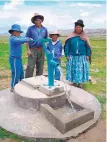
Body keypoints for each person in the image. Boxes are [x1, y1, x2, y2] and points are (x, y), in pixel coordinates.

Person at [64, 19, 92, 88]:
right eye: (77, 27)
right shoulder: (71, 36)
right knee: (73, 69)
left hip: (82, 56)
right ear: (75, 27)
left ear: (82, 28)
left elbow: (88, 46)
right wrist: (67, 54)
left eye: (80, 27)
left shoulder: (84, 36)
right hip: (72, 56)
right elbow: (67, 46)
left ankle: (79, 83)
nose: (78, 28)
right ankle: (74, 82)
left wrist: (88, 55)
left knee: (80, 70)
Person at [8, 24, 33, 92]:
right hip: (14, 59)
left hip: (18, 58)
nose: (19, 33)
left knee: (21, 73)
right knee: (16, 73)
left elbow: (22, 39)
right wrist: (29, 39)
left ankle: (20, 86)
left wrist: (27, 39)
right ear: (13, 32)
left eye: (19, 32)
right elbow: (21, 40)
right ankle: (13, 87)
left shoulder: (18, 37)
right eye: (17, 31)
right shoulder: (13, 38)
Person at [25, 13, 48, 78]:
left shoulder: (44, 29)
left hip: (41, 49)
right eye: (36, 20)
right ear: (34, 21)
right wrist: (28, 50)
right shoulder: (30, 28)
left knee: (40, 66)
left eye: (38, 19)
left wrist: (44, 42)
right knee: (30, 66)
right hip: (32, 49)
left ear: (41, 20)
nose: (37, 21)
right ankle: (28, 81)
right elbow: (27, 39)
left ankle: (38, 80)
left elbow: (46, 39)